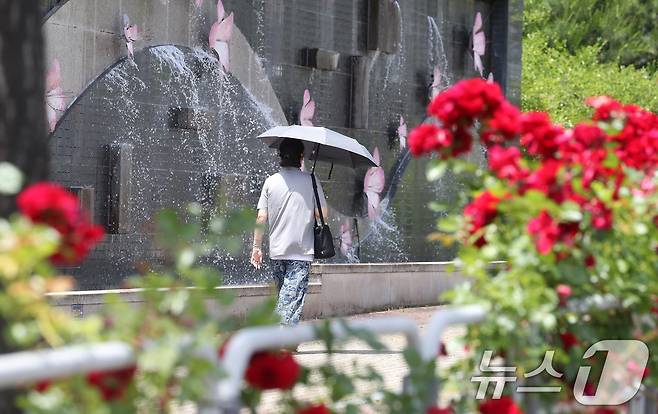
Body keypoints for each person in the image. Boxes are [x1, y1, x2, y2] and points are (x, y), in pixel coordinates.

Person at [250, 138, 328, 325]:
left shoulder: (270, 181)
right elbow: (322, 214)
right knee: (291, 298)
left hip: (276, 252)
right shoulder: (311, 180)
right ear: (301, 157)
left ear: (280, 156)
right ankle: (275, 332)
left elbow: (261, 218)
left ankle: (289, 340)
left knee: (288, 297)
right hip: (301, 252)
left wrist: (256, 247)